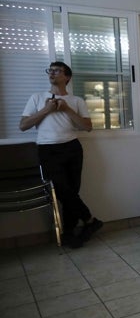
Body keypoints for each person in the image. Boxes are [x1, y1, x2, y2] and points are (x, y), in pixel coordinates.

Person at [19, 62, 102, 249]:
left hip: (72, 148)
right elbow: (23, 126)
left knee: (72, 191)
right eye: (50, 70)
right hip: (47, 150)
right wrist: (46, 110)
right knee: (63, 190)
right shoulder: (37, 98)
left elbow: (87, 127)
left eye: (57, 71)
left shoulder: (77, 101)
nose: (52, 73)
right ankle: (90, 220)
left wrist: (66, 109)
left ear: (67, 77)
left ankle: (69, 234)